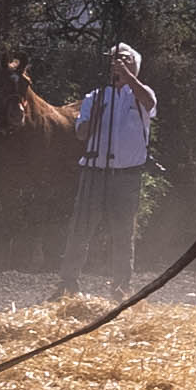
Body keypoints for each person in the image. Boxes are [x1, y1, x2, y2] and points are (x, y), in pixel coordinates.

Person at [60, 42, 158, 296]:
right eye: (115, 60)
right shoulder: (95, 97)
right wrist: (94, 117)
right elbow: (81, 134)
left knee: (123, 232)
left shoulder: (141, 93)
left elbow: (149, 103)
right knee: (81, 227)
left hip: (126, 175)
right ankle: (68, 283)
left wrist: (129, 79)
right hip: (94, 172)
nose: (119, 64)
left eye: (125, 60)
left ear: (135, 65)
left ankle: (121, 286)